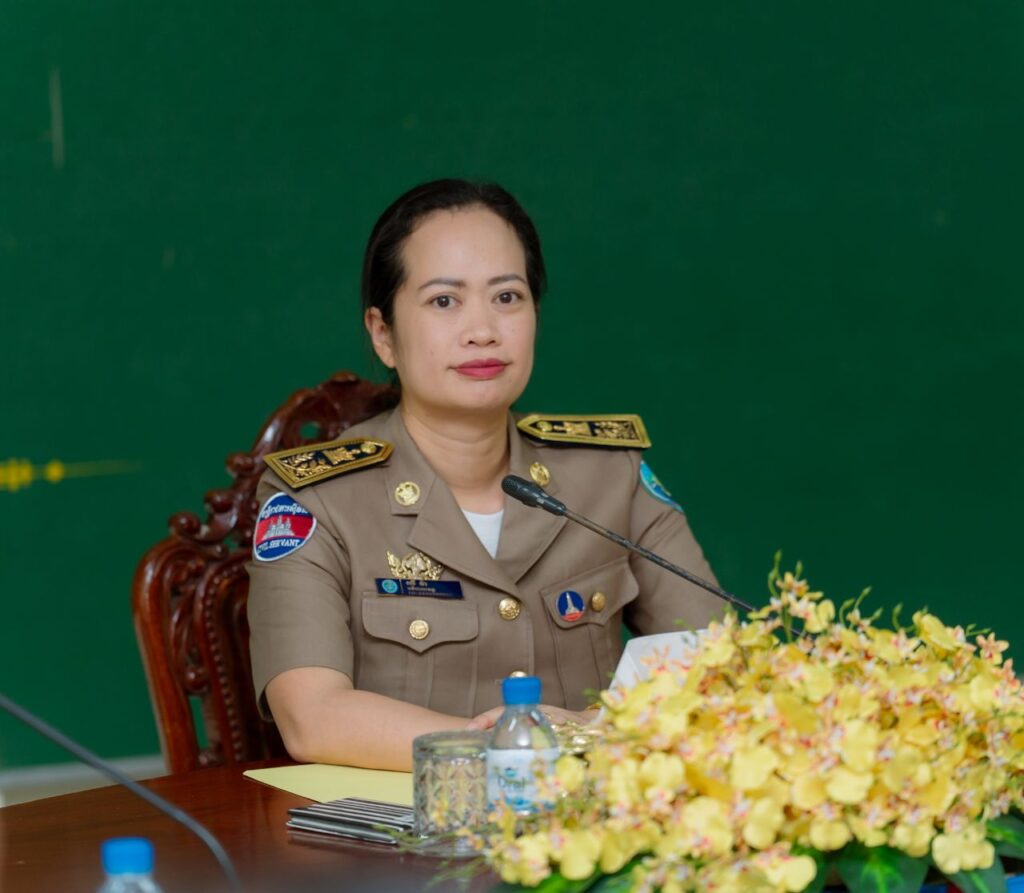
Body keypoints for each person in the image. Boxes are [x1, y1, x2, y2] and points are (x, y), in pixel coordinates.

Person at [245, 179, 723, 771]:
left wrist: (593, 734)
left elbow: (721, 664)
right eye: (444, 301)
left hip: (592, 819)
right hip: (408, 826)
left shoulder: (607, 475)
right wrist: (522, 747)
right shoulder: (317, 498)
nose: (483, 330)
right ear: (383, 334)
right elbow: (312, 718)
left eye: (507, 297)